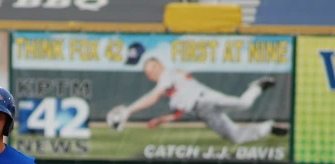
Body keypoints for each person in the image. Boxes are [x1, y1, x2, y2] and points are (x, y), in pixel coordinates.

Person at [107, 56, 289, 144]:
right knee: (235, 137)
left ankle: (257, 85)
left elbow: (153, 96)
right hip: (203, 113)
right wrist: (161, 120)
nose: (152, 72)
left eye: (153, 67)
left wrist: (129, 110)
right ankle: (268, 127)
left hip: (206, 100)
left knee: (244, 103)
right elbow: (178, 112)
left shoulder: (168, 74)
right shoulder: (170, 94)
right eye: (148, 72)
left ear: (160, 65)